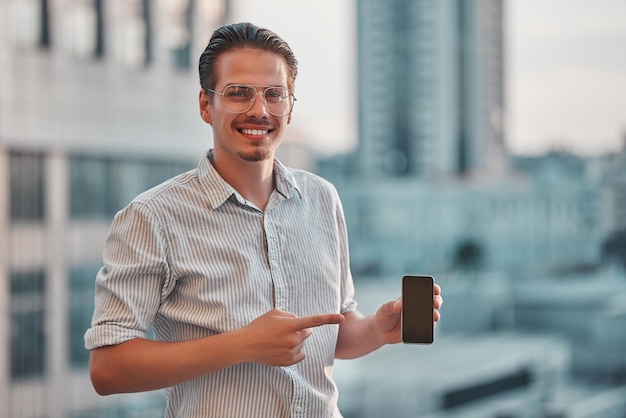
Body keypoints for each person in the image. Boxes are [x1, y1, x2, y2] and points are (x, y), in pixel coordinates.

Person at [85, 22, 443, 418]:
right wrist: (243, 344)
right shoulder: (152, 217)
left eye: (275, 95)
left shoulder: (323, 199)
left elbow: (331, 334)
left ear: (290, 106)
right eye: (239, 94)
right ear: (206, 104)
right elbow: (108, 368)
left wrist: (377, 329)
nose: (260, 110)